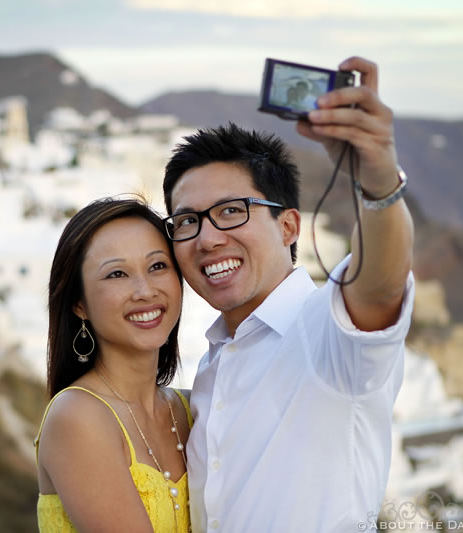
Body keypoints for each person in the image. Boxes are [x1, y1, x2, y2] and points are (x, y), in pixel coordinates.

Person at [161, 57, 414, 532]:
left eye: (232, 211)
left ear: (288, 226)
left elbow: (381, 282)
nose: (207, 238)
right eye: (187, 221)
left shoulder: (329, 332)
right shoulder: (214, 366)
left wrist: (378, 178)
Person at [35, 197, 193, 533]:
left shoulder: (193, 409)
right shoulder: (78, 416)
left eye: (158, 266)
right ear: (79, 304)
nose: (144, 290)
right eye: (117, 274)